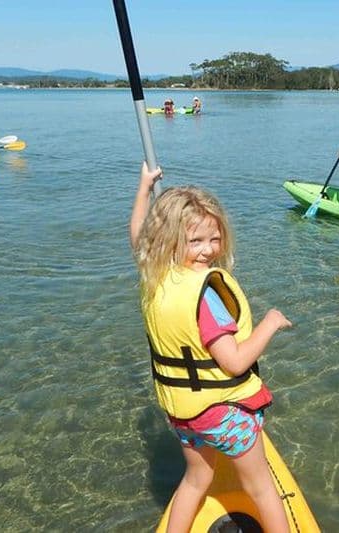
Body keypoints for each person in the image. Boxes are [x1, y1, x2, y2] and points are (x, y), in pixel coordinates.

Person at [129, 163, 292, 533]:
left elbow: (137, 235)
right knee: (261, 487)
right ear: (168, 239)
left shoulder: (153, 277)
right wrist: (270, 323)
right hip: (223, 413)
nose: (208, 251)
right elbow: (234, 362)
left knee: (196, 479)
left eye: (214, 239)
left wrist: (144, 188)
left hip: (183, 412)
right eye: (195, 241)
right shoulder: (206, 298)